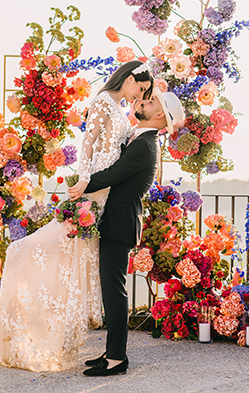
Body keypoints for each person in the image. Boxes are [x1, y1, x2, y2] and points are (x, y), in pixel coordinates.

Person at [0, 61, 154, 372]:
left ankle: (97, 347)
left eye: (144, 95)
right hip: (94, 190)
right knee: (54, 250)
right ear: (131, 78)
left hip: (107, 194)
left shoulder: (120, 109)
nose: (138, 97)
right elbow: (88, 144)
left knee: (78, 262)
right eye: (140, 89)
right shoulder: (104, 99)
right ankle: (39, 326)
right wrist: (83, 180)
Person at [69, 89, 185, 377]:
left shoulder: (145, 146)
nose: (143, 100)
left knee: (114, 291)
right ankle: (111, 351)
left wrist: (80, 185)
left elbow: (113, 175)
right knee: (111, 290)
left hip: (119, 225)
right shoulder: (140, 139)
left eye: (150, 100)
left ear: (159, 115)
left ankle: (117, 359)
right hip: (116, 222)